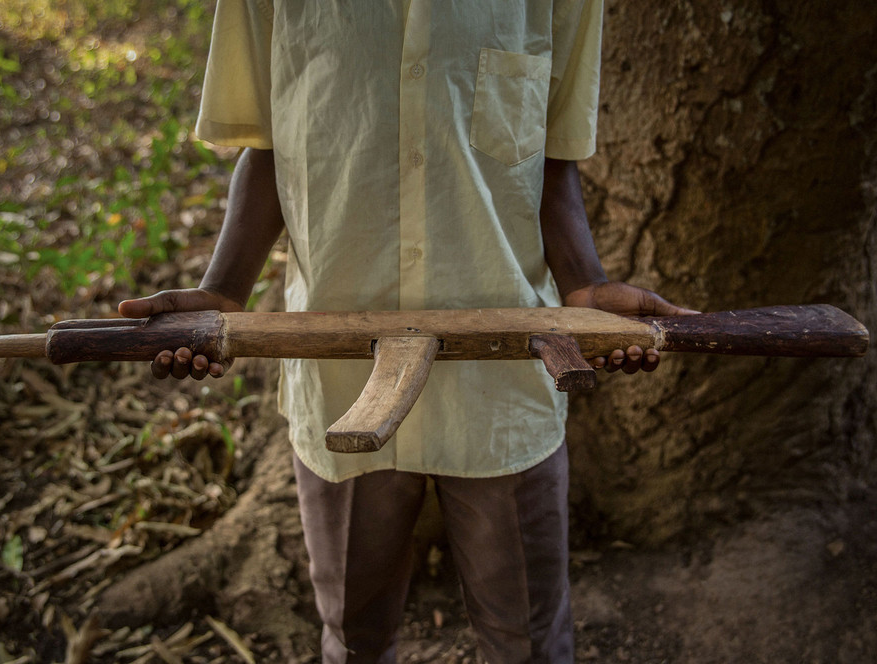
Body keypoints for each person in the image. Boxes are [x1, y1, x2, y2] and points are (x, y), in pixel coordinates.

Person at [119, 2, 695, 661]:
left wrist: (584, 286)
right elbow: (267, 146)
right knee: (354, 635)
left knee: (530, 640)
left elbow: (551, 158)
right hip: (342, 377)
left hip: (502, 385)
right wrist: (223, 292)